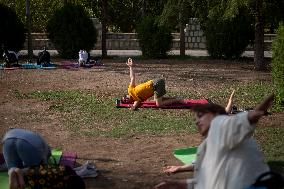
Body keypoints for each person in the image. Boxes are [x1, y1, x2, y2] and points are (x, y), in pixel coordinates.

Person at [154, 94, 274, 189]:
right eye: (195, 120)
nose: (197, 121)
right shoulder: (207, 145)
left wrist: (253, 115)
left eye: (200, 115)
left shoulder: (219, 123)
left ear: (216, 114)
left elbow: (235, 124)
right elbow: (208, 180)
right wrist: (181, 183)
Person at [2, 128, 85, 189]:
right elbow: (42, 166)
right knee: (34, 173)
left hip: (8, 138)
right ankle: (21, 177)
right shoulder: (44, 151)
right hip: (27, 144)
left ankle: (13, 172)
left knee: (12, 166)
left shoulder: (41, 142)